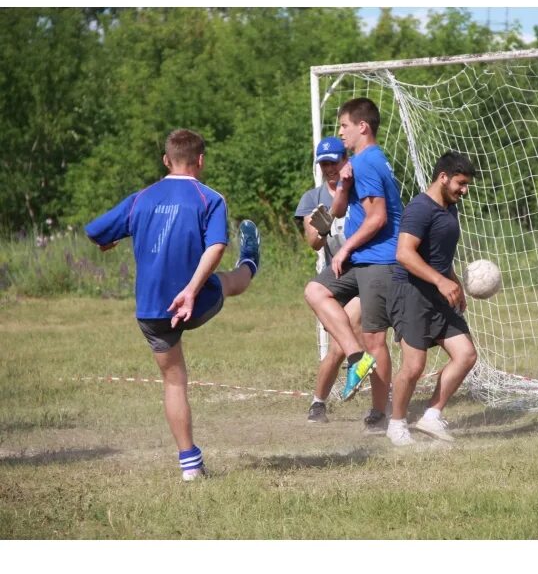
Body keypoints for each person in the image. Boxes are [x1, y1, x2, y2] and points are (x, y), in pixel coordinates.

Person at [85, 129, 261, 481]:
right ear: (201, 161)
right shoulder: (208, 197)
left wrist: (114, 239)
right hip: (193, 301)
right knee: (227, 282)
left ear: (166, 160)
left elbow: (95, 231)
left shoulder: (140, 198)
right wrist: (193, 290)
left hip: (152, 310)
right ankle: (251, 259)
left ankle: (190, 464)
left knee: (173, 381)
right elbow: (215, 247)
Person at [304, 98, 404, 434]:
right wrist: (344, 185)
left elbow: (378, 218)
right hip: (363, 259)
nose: (341, 132)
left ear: (362, 127)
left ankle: (381, 412)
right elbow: (343, 212)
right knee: (316, 290)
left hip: (380, 259)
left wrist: (344, 247)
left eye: (344, 125)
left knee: (376, 340)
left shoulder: (367, 162)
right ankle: (354, 357)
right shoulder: (361, 163)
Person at [386, 151, 478, 446]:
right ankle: (396, 424)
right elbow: (404, 254)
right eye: (460, 184)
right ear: (443, 177)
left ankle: (431, 416)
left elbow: (439, 255)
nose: (464, 191)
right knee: (413, 367)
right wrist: (440, 280)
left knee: (466, 355)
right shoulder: (419, 209)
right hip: (412, 293)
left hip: (439, 292)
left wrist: (452, 282)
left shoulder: (450, 207)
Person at [294, 136, 362, 424]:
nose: (329, 168)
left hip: (367, 270)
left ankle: (377, 410)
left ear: (345, 159)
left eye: (333, 162)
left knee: (341, 343)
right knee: (338, 344)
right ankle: (318, 402)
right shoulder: (313, 198)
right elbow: (314, 243)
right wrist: (325, 218)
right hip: (337, 276)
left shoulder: (360, 188)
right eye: (324, 164)